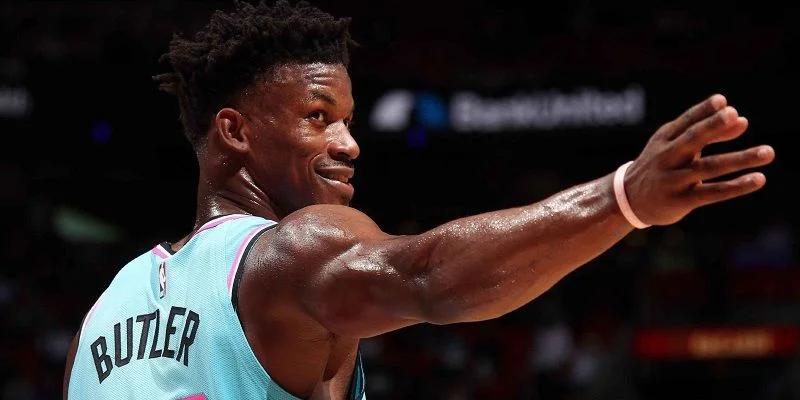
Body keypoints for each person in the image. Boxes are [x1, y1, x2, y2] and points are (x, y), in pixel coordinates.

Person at [62, 0, 776, 399]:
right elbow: (428, 275)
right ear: (236, 131)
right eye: (318, 117)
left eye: (348, 119)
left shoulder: (100, 319)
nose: (349, 143)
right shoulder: (291, 251)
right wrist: (624, 199)